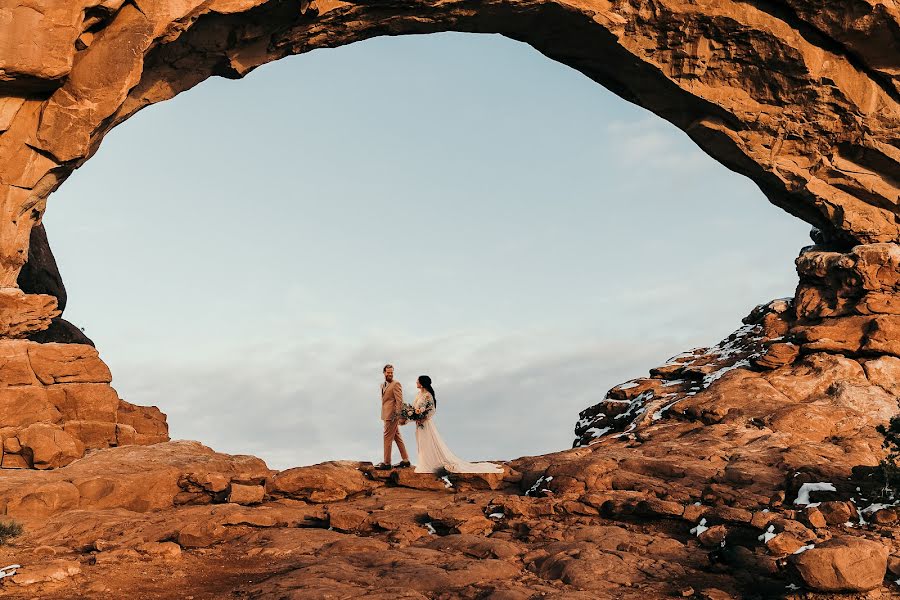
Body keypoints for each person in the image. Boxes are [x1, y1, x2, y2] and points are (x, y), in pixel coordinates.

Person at [408, 375, 503, 474]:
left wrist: (423, 418)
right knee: (421, 442)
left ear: (422, 384)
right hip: (418, 424)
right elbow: (415, 408)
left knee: (426, 441)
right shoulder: (418, 394)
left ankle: (429, 463)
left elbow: (432, 410)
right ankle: (424, 462)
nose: (416, 382)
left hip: (425, 423)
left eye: (417, 381)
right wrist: (413, 416)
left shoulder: (428, 395)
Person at [376, 364, 410, 470]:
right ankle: (405, 460)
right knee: (397, 437)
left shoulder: (396, 384)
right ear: (384, 373)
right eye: (388, 372)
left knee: (387, 437)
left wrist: (398, 416)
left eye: (391, 372)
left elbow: (399, 401)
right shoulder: (382, 385)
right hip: (386, 415)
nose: (390, 374)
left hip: (392, 416)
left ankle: (387, 463)